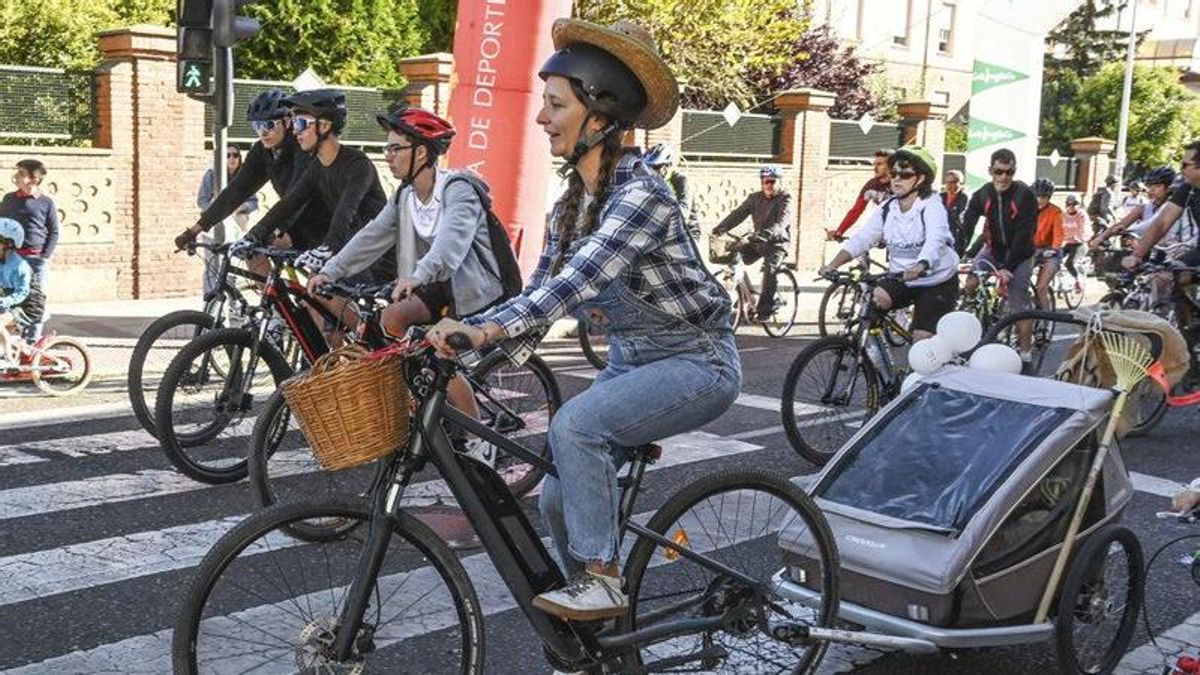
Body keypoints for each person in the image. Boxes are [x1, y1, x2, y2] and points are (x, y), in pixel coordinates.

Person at [425, 17, 740, 621]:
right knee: (557, 501)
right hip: (632, 361)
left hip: (697, 362)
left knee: (576, 427)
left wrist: (487, 330)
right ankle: (594, 631)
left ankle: (603, 580)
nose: (541, 118)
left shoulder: (640, 194)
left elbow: (576, 285)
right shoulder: (571, 204)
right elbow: (538, 295)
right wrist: (467, 347)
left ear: (599, 116)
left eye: (554, 105)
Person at [306, 105, 505, 440]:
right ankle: (422, 397)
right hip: (436, 283)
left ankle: (477, 440)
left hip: (474, 286)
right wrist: (331, 271)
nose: (388, 156)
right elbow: (372, 236)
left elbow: (451, 244)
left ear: (422, 151)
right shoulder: (405, 196)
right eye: (387, 148)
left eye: (395, 148)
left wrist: (417, 275)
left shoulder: (457, 190)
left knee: (440, 350)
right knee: (390, 322)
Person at [247, 89, 394, 336]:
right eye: (293, 122)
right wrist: (253, 235)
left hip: (376, 258)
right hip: (349, 252)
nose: (295, 130)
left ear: (324, 125)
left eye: (301, 123)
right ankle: (328, 367)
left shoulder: (358, 165)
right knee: (320, 320)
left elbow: (345, 215)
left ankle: (373, 340)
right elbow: (288, 204)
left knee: (320, 300)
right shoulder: (317, 166)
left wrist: (326, 249)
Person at [819, 145, 959, 341]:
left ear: (921, 178)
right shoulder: (888, 208)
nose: (896, 179)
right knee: (874, 301)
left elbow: (935, 240)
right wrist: (833, 264)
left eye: (905, 174)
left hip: (936, 281)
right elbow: (863, 238)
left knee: (921, 340)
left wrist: (922, 264)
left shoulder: (932, 207)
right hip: (902, 278)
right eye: (893, 174)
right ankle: (873, 360)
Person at [175, 89, 331, 257]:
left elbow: (296, 197)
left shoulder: (304, 148)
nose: (262, 133)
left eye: (269, 125)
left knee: (318, 281)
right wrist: (196, 229)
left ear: (287, 123)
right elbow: (236, 191)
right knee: (252, 255)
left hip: (332, 225)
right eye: (257, 126)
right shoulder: (262, 151)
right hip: (300, 224)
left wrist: (265, 231)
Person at [960, 147, 1038, 362]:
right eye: (999, 172)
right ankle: (970, 325)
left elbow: (1024, 235)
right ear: (990, 170)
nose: (1003, 177)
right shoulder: (982, 194)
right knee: (970, 283)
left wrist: (1008, 268)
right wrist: (956, 253)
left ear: (1014, 172)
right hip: (992, 249)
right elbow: (967, 226)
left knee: (1018, 303)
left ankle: (1025, 352)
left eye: (1009, 172)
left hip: (1020, 254)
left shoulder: (1025, 195)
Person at [1124, 141, 1200, 326]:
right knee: (1175, 274)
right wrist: (1136, 255)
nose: (1180, 170)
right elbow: (1162, 223)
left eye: (1185, 165)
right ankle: (1188, 332)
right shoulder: (1188, 189)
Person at [711, 165, 793, 318]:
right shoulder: (754, 198)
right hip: (758, 241)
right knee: (734, 256)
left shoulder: (785, 198)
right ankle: (746, 299)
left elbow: (782, 222)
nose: (768, 185)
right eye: (765, 181)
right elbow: (739, 214)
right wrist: (721, 227)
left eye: (772, 182)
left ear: (779, 182)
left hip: (777, 243)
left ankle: (765, 309)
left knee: (770, 270)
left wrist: (767, 233)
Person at [195, 145, 258, 295]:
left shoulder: (245, 177)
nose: (232, 159)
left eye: (235, 155)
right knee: (212, 268)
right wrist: (219, 208)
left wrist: (242, 206)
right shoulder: (212, 175)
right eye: (228, 155)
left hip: (236, 229)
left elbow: (254, 203)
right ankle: (210, 309)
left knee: (231, 270)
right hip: (214, 228)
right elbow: (201, 201)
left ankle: (232, 308)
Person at [0, 159, 58, 307]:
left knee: (35, 302)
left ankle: (34, 331)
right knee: (10, 300)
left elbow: (54, 231)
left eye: (21, 173)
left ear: (34, 179)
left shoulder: (46, 202)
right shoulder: (9, 199)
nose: (17, 176)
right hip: (12, 257)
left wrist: (44, 256)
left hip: (36, 258)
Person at [1090, 166, 1177, 251]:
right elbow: (1122, 224)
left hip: (1171, 252)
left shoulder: (1174, 208)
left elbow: (1152, 224)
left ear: (1169, 188)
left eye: (1157, 186)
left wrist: (1130, 231)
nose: (1151, 190)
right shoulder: (1144, 208)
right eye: (1150, 186)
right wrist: (1101, 237)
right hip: (1147, 252)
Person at [828, 148, 892, 240]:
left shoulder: (901, 183)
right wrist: (840, 231)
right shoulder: (872, 185)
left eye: (879, 164)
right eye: (874, 164)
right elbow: (856, 210)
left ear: (890, 167)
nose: (875, 168)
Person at [643, 143, 700, 238]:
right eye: (649, 167)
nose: (652, 171)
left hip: (687, 233)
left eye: (657, 167)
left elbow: (683, 213)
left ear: (668, 165)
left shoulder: (681, 181)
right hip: (660, 231)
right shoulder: (652, 182)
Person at [0, 218, 36, 368]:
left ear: (8, 244)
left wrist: (4, 301)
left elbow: (23, 292)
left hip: (26, 305)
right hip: (10, 302)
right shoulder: (2, 261)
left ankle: (9, 359)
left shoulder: (20, 266)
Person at [1030, 178, 1064, 313]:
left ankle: (1046, 320)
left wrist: (1054, 248)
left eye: (1044, 197)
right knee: (1017, 281)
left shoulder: (1055, 212)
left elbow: (1059, 234)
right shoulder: (1025, 210)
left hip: (1050, 251)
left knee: (1041, 286)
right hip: (1031, 249)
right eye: (1037, 196)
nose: (1040, 200)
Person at [941, 169, 970, 254]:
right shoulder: (940, 197)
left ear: (960, 183)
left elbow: (959, 217)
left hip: (956, 238)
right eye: (947, 182)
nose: (949, 185)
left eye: (953, 182)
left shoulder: (964, 198)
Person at [1061, 194, 1087, 285]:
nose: (1071, 207)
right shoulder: (1063, 215)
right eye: (1069, 204)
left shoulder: (1081, 215)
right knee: (1054, 260)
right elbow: (1058, 228)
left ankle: (1077, 280)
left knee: (1069, 263)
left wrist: (1078, 236)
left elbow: (1084, 229)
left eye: (1074, 204)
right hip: (1068, 243)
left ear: (1078, 204)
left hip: (1079, 244)